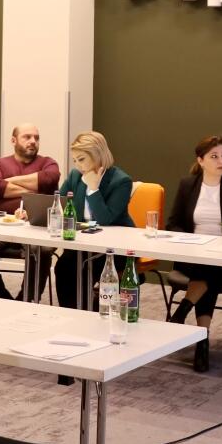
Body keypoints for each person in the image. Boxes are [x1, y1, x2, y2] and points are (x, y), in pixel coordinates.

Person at [165, 136, 222, 373]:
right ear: (201, 160)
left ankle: (184, 313)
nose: (221, 161)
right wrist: (190, 241)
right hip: (193, 255)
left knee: (210, 268)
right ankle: (201, 340)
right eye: (214, 156)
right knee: (207, 272)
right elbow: (173, 224)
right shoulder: (188, 185)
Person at [0, 123, 60, 300]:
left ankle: (28, 299)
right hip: (1, 224)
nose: (33, 141)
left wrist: (10, 181)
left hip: (37, 226)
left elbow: (50, 178)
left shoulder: (48, 162)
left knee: (43, 249)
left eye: (36, 137)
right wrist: (35, 191)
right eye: (27, 137)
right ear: (13, 140)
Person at [42, 131, 133, 310]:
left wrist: (93, 189)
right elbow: (59, 203)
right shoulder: (76, 176)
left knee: (80, 270)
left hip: (115, 248)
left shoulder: (121, 181)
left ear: (98, 154)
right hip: (83, 243)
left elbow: (105, 219)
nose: (78, 165)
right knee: (63, 267)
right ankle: (73, 315)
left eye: (81, 159)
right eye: (75, 160)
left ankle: (86, 315)